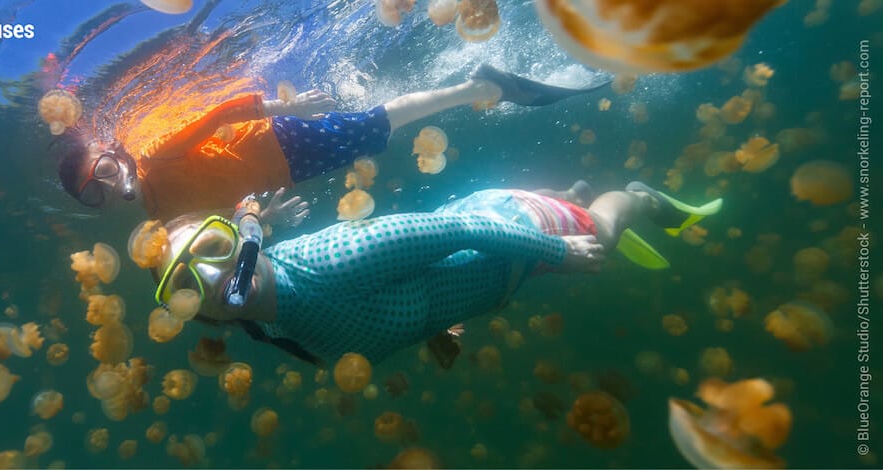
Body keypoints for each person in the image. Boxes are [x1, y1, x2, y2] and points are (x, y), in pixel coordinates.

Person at [145, 181, 723, 366]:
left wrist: (563, 251)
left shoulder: (331, 260)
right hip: (505, 274)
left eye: (214, 247)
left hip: (512, 231)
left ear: (236, 239)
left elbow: (460, 230)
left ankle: (635, 200)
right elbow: (374, 315)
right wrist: (434, 329)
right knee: (571, 221)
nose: (213, 275)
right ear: (204, 316)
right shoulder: (277, 331)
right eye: (187, 285)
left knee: (602, 231)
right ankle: (566, 193)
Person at [58, 64, 609, 224]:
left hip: (277, 138)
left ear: (112, 153)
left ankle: (479, 86)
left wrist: (287, 106)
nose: (108, 184)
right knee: (373, 132)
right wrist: (263, 217)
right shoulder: (158, 216)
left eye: (102, 169)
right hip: (285, 173)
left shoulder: (153, 154)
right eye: (94, 193)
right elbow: (223, 209)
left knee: (374, 125)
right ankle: (476, 86)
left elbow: (215, 116)